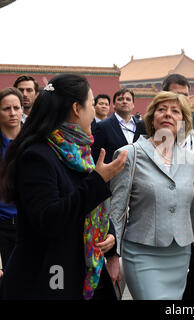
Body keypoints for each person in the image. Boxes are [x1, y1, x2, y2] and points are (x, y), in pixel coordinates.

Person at [0, 74, 127, 300]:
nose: (94, 109)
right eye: (90, 102)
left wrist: (108, 234)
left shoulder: (79, 151)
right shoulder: (37, 156)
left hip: (79, 269)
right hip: (46, 275)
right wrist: (98, 181)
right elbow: (49, 219)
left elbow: (90, 208)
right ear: (77, 108)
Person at [109, 91, 194, 300]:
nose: (168, 114)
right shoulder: (129, 154)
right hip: (142, 253)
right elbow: (116, 210)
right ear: (152, 118)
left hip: (180, 253)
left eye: (175, 111)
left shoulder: (190, 159)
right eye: (162, 110)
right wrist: (112, 256)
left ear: (183, 120)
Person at [133, 73, 194, 301]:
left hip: (192, 213)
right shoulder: (145, 125)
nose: (182, 100)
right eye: (177, 94)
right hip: (155, 220)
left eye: (186, 96)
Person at [0, 88, 23, 274]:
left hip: (29, 223)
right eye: (6, 108)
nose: (13, 113)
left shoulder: (34, 141)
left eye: (17, 107)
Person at [92, 88, 138, 164]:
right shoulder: (103, 126)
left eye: (128, 99)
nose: (124, 101)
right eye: (120, 99)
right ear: (113, 105)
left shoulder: (142, 125)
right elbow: (96, 156)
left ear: (133, 105)